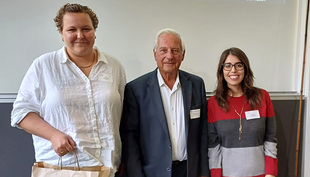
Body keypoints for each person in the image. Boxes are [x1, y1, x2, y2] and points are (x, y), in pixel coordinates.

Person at [10, 3, 126, 177]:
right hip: (61, 167)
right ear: (62, 34)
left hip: (108, 167)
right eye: (72, 30)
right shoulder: (44, 65)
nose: (80, 35)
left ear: (94, 31)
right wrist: (53, 135)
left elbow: (123, 115)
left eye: (86, 29)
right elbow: (20, 114)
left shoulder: (113, 66)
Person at [120, 28, 209, 177]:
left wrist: (204, 172)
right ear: (155, 54)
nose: (169, 56)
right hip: (152, 172)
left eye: (175, 50)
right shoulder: (136, 89)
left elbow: (203, 133)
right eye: (163, 50)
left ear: (183, 55)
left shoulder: (196, 84)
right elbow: (130, 138)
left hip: (189, 171)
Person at [207, 47, 278, 177]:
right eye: (227, 65)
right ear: (221, 70)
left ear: (245, 69)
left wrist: (270, 173)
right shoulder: (213, 103)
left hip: (261, 174)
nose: (233, 70)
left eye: (238, 65)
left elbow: (270, 139)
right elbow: (213, 146)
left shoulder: (262, 97)